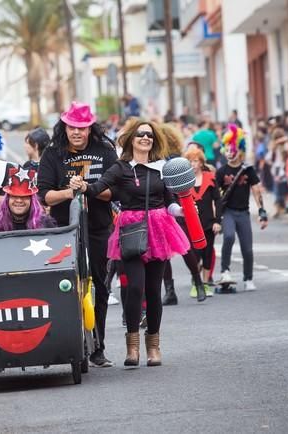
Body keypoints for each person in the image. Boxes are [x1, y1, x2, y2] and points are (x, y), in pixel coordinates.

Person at [71, 119, 190, 367]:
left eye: (149, 135)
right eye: (140, 135)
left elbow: (170, 201)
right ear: (131, 140)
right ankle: (132, 348)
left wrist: (184, 211)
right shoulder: (121, 167)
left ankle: (153, 348)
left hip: (159, 229)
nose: (145, 138)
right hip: (131, 231)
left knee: (153, 292)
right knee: (134, 288)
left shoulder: (162, 168)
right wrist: (82, 185)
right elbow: (97, 189)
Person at [38, 101, 117, 368]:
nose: (77, 133)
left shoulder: (105, 151)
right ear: (65, 127)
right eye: (72, 127)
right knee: (65, 288)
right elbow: (44, 195)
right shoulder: (52, 154)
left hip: (98, 229)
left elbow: (115, 191)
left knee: (101, 288)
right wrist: (71, 192)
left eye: (82, 128)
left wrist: (89, 188)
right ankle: (70, 344)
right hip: (63, 231)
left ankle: (98, 347)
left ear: (90, 128)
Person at [158, 123, 207, 305]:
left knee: (184, 247)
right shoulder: (156, 160)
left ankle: (197, 282)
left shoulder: (173, 161)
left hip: (175, 206)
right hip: (162, 208)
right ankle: (172, 290)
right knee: (163, 252)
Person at [216, 124, 268, 291]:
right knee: (229, 237)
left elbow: (256, 190)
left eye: (233, 149)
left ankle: (248, 278)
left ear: (240, 150)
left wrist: (262, 212)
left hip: (243, 213)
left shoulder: (248, 170)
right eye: (227, 149)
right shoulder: (221, 171)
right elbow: (215, 195)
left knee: (247, 248)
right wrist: (215, 218)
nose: (230, 152)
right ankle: (225, 271)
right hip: (228, 212)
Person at [183, 147, 222, 296]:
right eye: (190, 161)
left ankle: (205, 284)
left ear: (201, 162)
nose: (193, 164)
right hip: (191, 224)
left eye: (195, 161)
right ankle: (196, 282)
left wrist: (218, 221)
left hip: (208, 223)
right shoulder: (184, 180)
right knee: (194, 255)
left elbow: (218, 200)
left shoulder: (209, 177)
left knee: (207, 253)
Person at [0, 166, 56, 232]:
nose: (19, 200)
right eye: (14, 196)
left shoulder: (46, 223)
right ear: (7, 199)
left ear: (32, 200)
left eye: (24, 196)